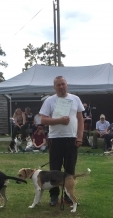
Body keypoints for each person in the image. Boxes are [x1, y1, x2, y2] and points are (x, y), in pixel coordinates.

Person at [40, 76, 84, 206]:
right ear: (54, 87)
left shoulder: (75, 99)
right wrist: (59, 120)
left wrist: (80, 137)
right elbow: (43, 120)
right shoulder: (49, 100)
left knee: (70, 169)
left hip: (71, 139)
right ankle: (54, 196)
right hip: (55, 139)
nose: (61, 87)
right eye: (58, 85)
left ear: (67, 85)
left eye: (63, 84)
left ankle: (68, 196)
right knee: (54, 170)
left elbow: (80, 119)